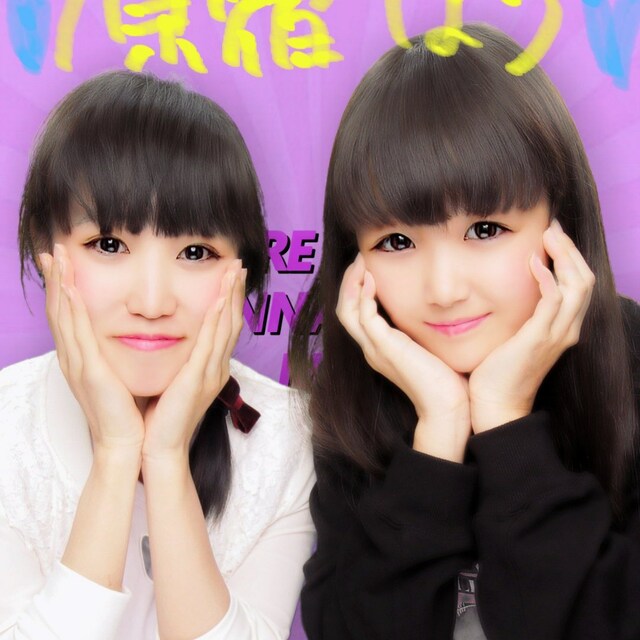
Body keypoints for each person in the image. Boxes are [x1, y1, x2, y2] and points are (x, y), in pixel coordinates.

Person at [290, 23, 640, 640]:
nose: (444, 289)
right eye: (396, 242)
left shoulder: (631, 365)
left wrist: (505, 418)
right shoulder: (356, 394)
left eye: (484, 230)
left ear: (559, 224)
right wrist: (440, 430)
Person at [0, 71, 315, 640]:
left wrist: (166, 459)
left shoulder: (285, 438)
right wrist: (116, 453)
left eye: (195, 252)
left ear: (243, 273)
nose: (151, 302)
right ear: (47, 256)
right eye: (109, 245)